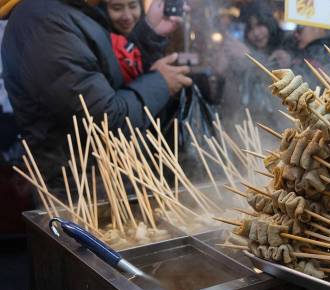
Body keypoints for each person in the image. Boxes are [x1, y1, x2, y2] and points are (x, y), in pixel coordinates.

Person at [1, 0, 193, 189]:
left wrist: (149, 33)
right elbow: (102, 120)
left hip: (101, 180)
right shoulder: (43, 21)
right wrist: (161, 83)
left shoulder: (68, 11)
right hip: (80, 189)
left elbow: (109, 76)